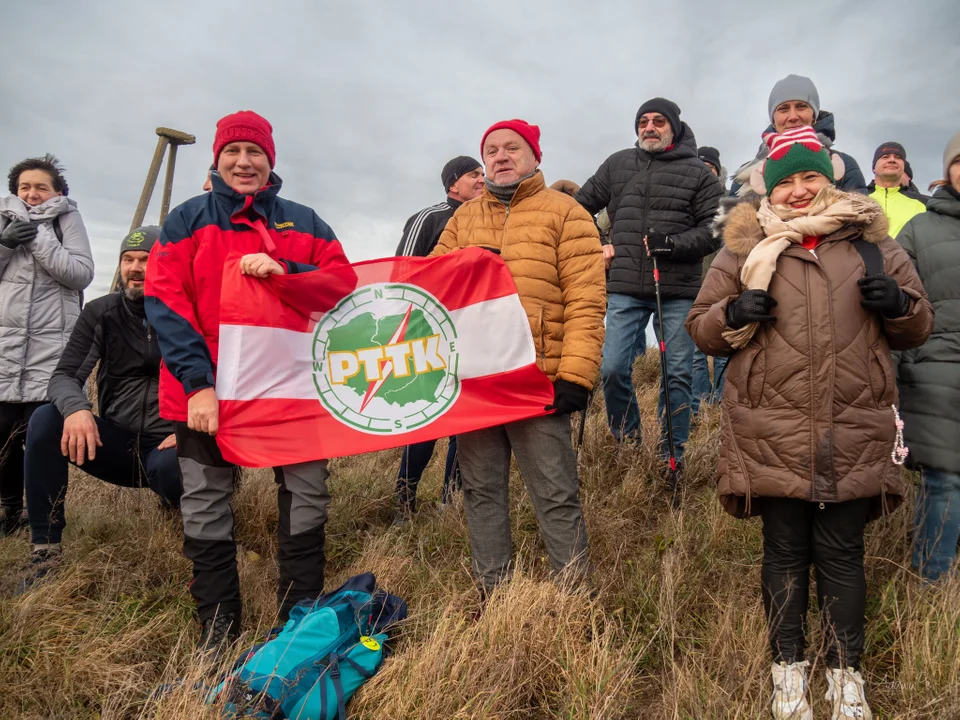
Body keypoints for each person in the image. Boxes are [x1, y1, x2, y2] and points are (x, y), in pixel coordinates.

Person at [687, 126, 933, 720]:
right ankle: (788, 675)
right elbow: (700, 327)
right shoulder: (744, 249)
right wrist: (731, 311)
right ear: (771, 188)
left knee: (844, 554)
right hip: (772, 425)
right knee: (785, 552)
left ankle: (848, 678)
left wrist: (899, 307)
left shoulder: (878, 247)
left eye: (810, 177)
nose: (799, 190)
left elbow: (919, 323)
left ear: (833, 179)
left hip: (854, 422)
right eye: (787, 181)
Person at [145, 111, 350, 650]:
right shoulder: (184, 221)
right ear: (216, 159)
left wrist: (289, 273)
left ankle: (298, 619)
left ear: (270, 161)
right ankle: (218, 629)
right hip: (206, 392)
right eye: (232, 152)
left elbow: (342, 286)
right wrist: (198, 384)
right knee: (207, 501)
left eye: (254, 152)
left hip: (292, 391)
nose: (243, 162)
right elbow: (166, 303)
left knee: (308, 496)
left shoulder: (305, 222)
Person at [431, 118, 605, 597]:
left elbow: (587, 301)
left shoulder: (567, 214)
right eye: (491, 151)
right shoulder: (463, 219)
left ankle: (575, 600)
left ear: (534, 158)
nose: (501, 156)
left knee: (555, 493)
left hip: (539, 381)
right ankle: (496, 596)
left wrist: (575, 376)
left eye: (512, 148)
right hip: (477, 384)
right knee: (482, 493)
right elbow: (429, 288)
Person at [20, 227, 182, 588]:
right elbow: (63, 375)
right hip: (118, 444)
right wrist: (77, 408)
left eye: (147, 260)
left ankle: (182, 510)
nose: (136, 268)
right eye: (129, 259)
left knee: (173, 466)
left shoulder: (188, 313)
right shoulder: (101, 313)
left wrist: (186, 431)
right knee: (46, 418)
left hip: (171, 444)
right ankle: (44, 550)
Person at [572, 98, 723, 477]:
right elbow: (576, 209)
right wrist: (596, 241)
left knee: (677, 372)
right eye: (643, 121)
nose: (649, 127)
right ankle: (628, 441)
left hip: (677, 288)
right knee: (611, 368)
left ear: (673, 126)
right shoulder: (618, 163)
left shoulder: (699, 172)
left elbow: (715, 230)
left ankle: (671, 455)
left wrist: (673, 244)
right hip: (623, 283)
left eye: (658, 121)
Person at [0, 155, 94, 535]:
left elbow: (80, 274)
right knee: (3, 440)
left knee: (42, 439)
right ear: (15, 191)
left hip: (52, 352)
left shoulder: (67, 221)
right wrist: (5, 244)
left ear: (58, 191)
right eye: (25, 187)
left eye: (41, 187)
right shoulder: (3, 219)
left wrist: (38, 238)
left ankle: (48, 519)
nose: (33, 194)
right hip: (5, 349)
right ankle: (9, 513)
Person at [392, 155, 484, 522]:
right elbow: (402, 271)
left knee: (464, 421)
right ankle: (404, 499)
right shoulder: (429, 217)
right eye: (473, 174)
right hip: (427, 333)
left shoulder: (490, 219)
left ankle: (451, 502)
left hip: (474, 334)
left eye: (482, 174)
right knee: (427, 417)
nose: (481, 179)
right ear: (452, 184)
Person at [897, 131, 960, 582]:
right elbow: (902, 301)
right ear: (948, 169)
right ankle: (931, 584)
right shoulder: (920, 227)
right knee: (946, 481)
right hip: (938, 366)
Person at [730, 74, 867, 198]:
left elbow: (860, 217)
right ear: (773, 119)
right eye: (783, 109)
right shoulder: (746, 175)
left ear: (814, 116)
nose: (793, 116)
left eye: (801, 107)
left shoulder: (844, 164)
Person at [692, 146, 728, 413]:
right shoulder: (688, 199)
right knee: (696, 348)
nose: (706, 171)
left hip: (726, 281)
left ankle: (722, 398)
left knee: (726, 344)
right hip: (695, 282)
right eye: (701, 165)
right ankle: (701, 401)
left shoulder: (730, 202)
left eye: (711, 167)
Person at [867, 142, 927, 237]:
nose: (892, 160)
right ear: (874, 167)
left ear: (903, 168)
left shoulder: (925, 204)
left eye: (898, 157)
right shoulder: (855, 198)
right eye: (885, 157)